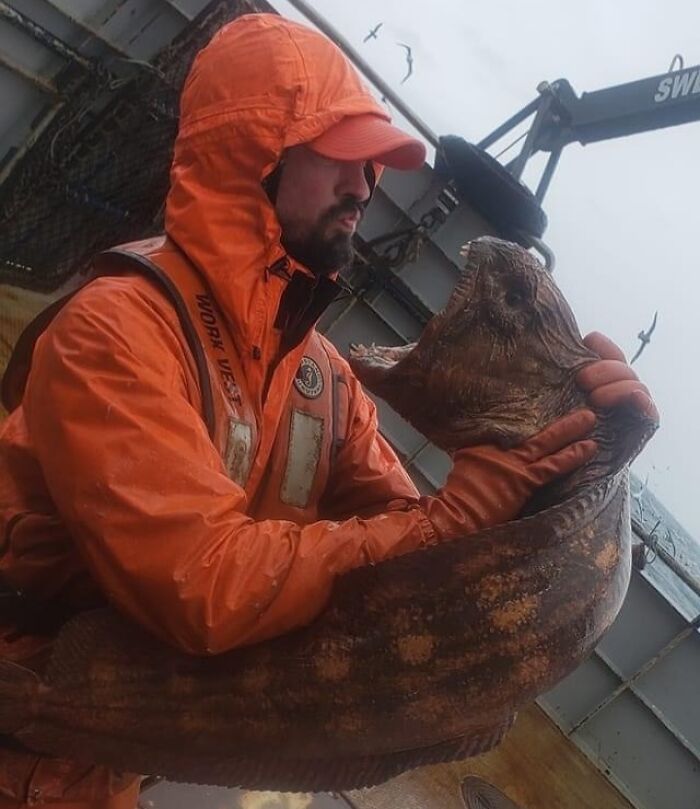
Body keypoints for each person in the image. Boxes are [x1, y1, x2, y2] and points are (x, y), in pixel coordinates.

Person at [0, 13, 657, 809]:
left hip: (106, 752)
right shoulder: (115, 332)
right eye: (342, 158)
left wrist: (571, 472)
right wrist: (447, 520)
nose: (365, 187)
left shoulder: (320, 378)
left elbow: (410, 551)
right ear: (254, 155)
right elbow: (201, 586)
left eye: (375, 165)